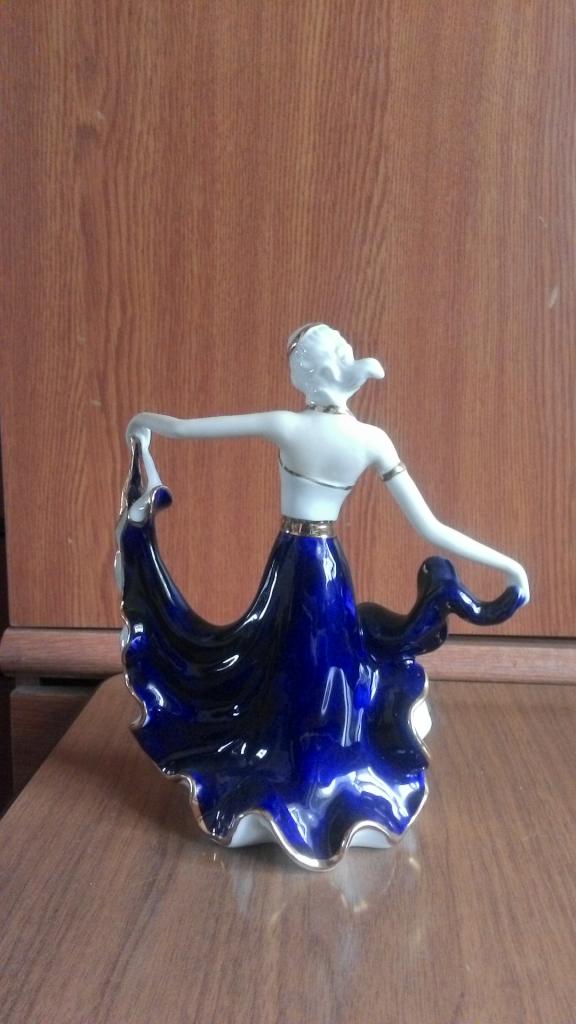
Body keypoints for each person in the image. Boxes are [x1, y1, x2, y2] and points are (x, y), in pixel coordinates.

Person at [119, 323, 528, 870]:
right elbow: (431, 527)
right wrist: (508, 567)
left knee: (293, 664)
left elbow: (185, 429)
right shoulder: (365, 439)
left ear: (305, 376)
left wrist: (144, 424)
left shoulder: (293, 426)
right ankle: (309, 763)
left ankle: (300, 767)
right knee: (313, 665)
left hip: (294, 561)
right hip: (326, 566)